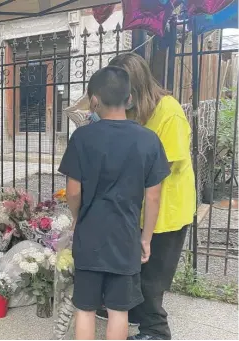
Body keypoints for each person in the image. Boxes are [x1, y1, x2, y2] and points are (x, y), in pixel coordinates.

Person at [58, 66, 170, 340]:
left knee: (84, 308)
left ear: (93, 100)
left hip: (90, 236)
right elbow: (153, 196)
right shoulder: (148, 139)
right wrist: (146, 239)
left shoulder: (82, 137)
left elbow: (73, 192)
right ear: (130, 98)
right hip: (126, 238)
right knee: (119, 311)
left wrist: (78, 217)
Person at [104, 53, 196, 340]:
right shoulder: (132, 112)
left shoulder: (169, 111)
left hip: (168, 208)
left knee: (152, 276)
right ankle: (132, 312)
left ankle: (156, 331)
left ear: (137, 86)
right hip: (138, 206)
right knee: (134, 268)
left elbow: (163, 166)